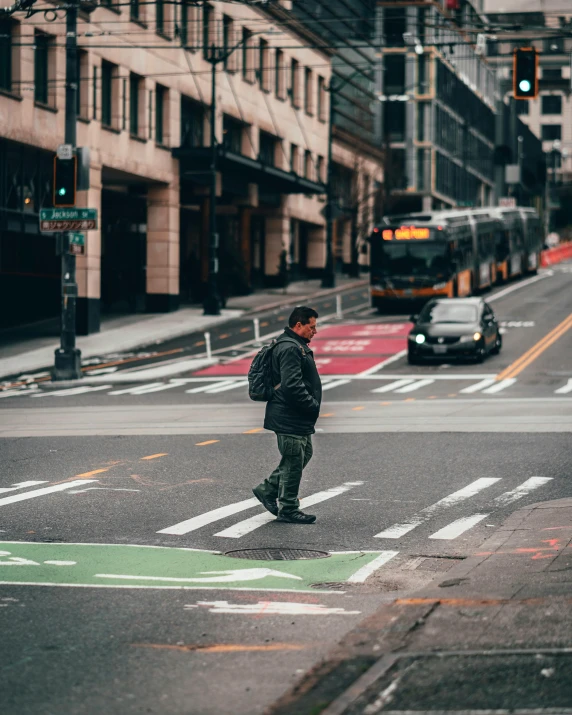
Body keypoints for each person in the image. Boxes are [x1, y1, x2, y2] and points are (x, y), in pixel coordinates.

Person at [252, 306, 322, 524]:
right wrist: (311, 405)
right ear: (298, 325)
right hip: (290, 415)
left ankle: (267, 489)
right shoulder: (290, 348)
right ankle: (289, 507)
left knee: (303, 454)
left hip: (294, 415)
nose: (315, 331)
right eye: (312, 327)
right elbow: (292, 385)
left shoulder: (294, 345)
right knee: (293, 460)